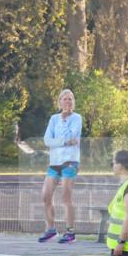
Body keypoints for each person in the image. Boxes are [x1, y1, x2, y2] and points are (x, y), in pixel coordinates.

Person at [39, 89, 83, 243]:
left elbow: (72, 135)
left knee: (65, 197)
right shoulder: (53, 119)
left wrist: (65, 121)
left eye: (70, 99)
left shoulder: (77, 118)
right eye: (65, 99)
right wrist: (63, 142)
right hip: (54, 163)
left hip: (70, 162)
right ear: (60, 102)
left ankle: (70, 232)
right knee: (45, 196)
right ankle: (51, 229)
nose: (68, 102)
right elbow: (47, 140)